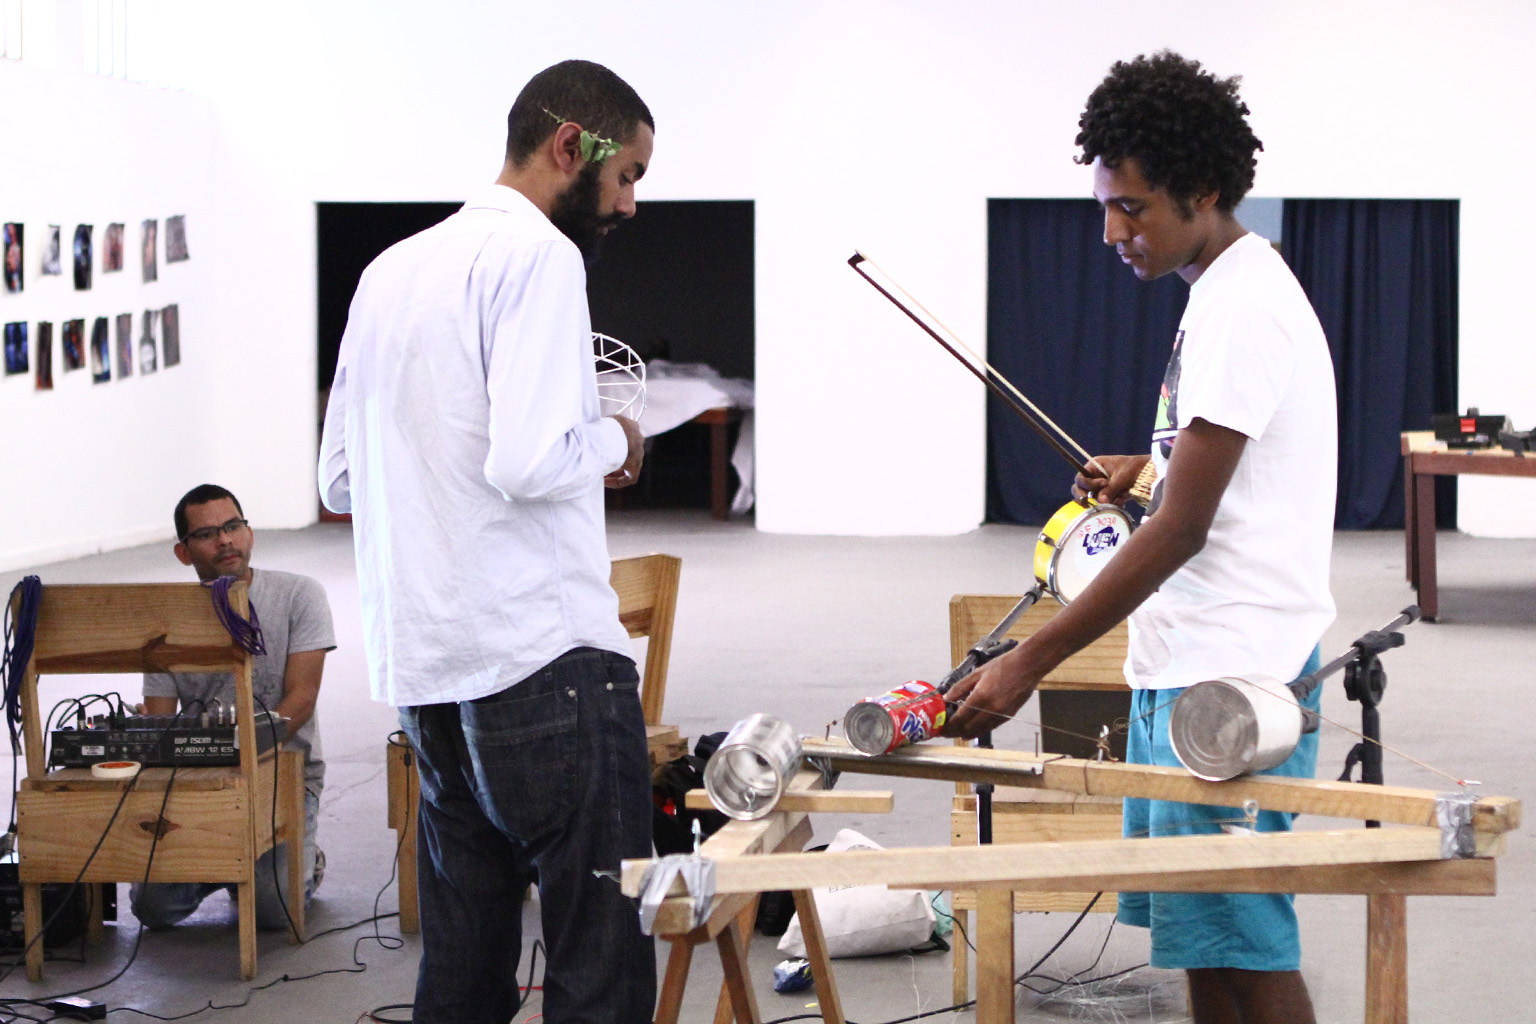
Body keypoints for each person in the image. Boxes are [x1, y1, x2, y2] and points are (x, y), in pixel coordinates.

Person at [944, 51, 1336, 1024]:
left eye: (1134, 208)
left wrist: (1029, 659)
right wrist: (1148, 465)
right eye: (1106, 207)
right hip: (1192, 664)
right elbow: (1220, 477)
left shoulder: (1243, 307)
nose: (1113, 232)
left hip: (1237, 677)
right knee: (1203, 948)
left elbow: (1182, 530)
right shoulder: (1221, 291)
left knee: (1247, 952)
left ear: (1201, 192)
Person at [318, 59, 654, 1024]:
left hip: (427, 674)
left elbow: (338, 479)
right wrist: (616, 439)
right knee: (598, 961)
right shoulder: (540, 257)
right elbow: (528, 461)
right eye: (627, 174)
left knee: (462, 971)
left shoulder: (390, 270)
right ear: (570, 146)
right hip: (542, 658)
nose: (629, 204)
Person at [132, 483, 335, 931]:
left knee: (273, 912)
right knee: (153, 908)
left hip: (282, 774)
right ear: (183, 552)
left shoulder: (299, 594)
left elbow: (301, 698)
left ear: (249, 533)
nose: (225, 540)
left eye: (232, 526)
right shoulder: (167, 618)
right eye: (207, 534)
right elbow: (160, 715)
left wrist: (243, 748)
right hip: (200, 781)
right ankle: (230, 864)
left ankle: (302, 860)